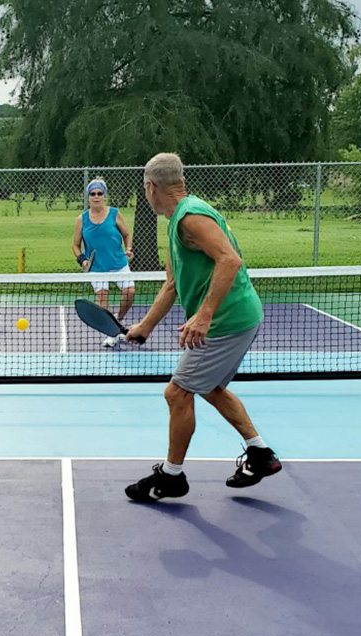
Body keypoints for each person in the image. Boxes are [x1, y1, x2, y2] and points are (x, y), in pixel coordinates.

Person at [123, 153, 282, 501]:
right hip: (238, 317)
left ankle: (171, 477)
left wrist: (205, 315)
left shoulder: (191, 218)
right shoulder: (178, 218)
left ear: (150, 188)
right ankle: (260, 453)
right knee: (208, 387)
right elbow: (171, 284)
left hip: (228, 320)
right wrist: (145, 326)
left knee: (177, 393)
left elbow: (230, 260)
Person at [71, 177, 135, 346]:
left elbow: (127, 235)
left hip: (118, 263)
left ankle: (117, 323)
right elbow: (75, 245)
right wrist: (83, 260)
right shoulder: (81, 219)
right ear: (88, 197)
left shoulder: (115, 213)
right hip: (97, 268)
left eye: (100, 193)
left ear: (104, 195)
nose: (96, 196)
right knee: (102, 297)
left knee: (129, 293)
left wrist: (128, 250)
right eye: (93, 193)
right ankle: (111, 333)